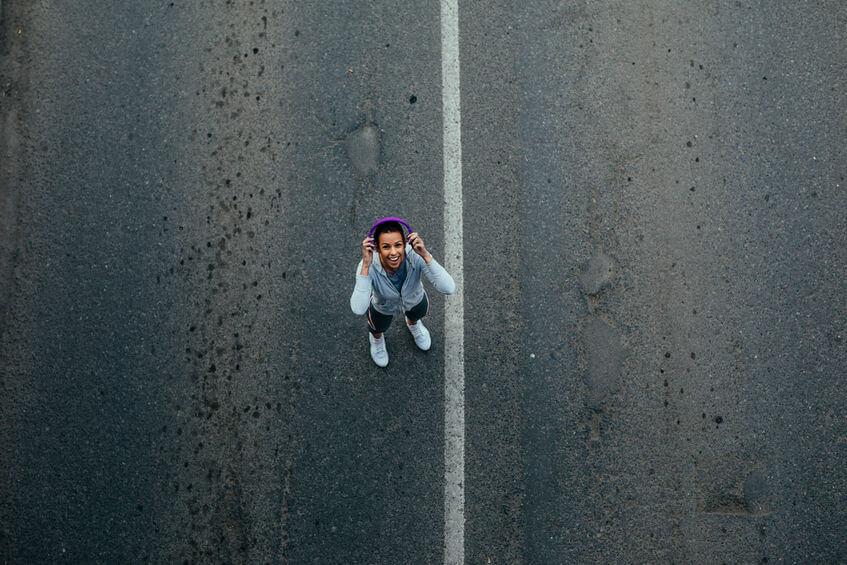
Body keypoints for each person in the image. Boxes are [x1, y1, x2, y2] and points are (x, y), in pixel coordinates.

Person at [350, 219, 455, 367]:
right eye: (386, 247)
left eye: (398, 245)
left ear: (405, 244)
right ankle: (377, 339)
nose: (393, 252)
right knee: (377, 328)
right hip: (382, 307)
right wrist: (366, 266)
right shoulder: (367, 265)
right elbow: (358, 308)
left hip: (415, 301)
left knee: (416, 315)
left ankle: (413, 324)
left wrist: (425, 254)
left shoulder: (415, 254)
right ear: (377, 248)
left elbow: (448, 288)